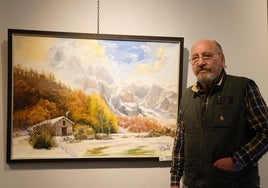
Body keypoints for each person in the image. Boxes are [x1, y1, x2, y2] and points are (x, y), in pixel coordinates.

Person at [170, 39, 268, 188]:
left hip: (236, 183)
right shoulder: (187, 96)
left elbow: (265, 131)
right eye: (195, 58)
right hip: (193, 184)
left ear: (222, 60)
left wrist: (237, 160)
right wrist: (175, 180)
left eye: (207, 56)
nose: (201, 62)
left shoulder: (243, 87)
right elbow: (180, 141)